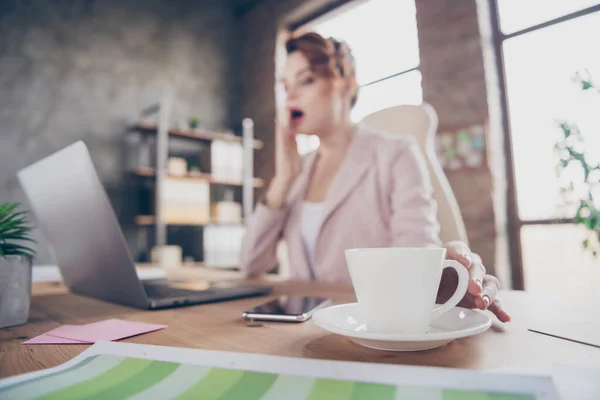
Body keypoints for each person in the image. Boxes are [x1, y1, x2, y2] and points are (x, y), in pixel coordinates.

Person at [240, 32, 510, 323]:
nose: (291, 96)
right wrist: (282, 181)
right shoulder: (298, 170)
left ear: (346, 85)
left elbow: (416, 255)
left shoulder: (396, 153)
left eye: (306, 80)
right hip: (302, 329)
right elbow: (250, 265)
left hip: (369, 324)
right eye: (286, 85)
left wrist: (444, 275)